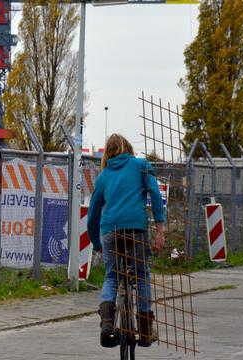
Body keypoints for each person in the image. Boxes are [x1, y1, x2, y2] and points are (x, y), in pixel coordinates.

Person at [87, 134, 165, 348]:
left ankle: (107, 324)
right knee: (141, 275)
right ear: (128, 148)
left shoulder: (103, 176)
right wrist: (160, 229)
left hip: (110, 231)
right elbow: (156, 196)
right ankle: (146, 331)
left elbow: (93, 214)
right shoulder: (141, 165)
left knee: (111, 276)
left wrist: (97, 244)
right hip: (136, 229)